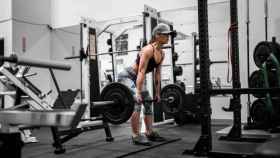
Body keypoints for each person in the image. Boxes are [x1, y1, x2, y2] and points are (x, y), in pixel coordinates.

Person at [117, 23, 171, 146]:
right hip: (127, 76)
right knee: (137, 102)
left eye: (169, 35)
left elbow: (157, 75)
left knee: (148, 101)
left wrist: (157, 93)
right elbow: (141, 72)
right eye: (166, 35)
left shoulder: (161, 54)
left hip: (138, 77)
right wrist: (137, 92)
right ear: (157, 35)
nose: (168, 37)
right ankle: (135, 135)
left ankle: (149, 132)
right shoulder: (148, 50)